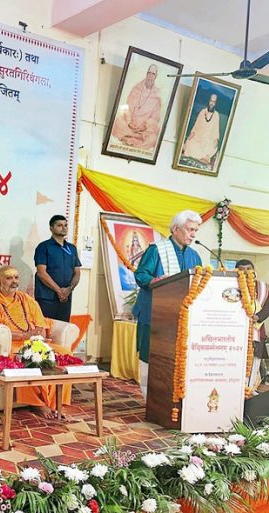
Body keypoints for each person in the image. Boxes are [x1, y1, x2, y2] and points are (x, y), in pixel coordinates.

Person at [0, 265, 72, 418]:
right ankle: (37, 403)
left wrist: (38, 335)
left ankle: (57, 401)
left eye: (16, 277)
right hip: (13, 345)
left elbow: (41, 324)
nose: (13, 282)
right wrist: (25, 336)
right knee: (25, 357)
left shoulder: (26, 299)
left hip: (35, 342)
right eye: (9, 278)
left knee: (64, 353)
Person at [132, 211, 203, 398]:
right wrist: (155, 281)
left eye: (196, 230)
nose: (193, 234)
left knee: (177, 356)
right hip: (153, 312)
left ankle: (173, 395)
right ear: (175, 229)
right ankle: (149, 397)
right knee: (150, 354)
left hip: (181, 316)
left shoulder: (194, 256)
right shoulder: (157, 249)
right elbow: (141, 275)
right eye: (190, 229)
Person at [34, 215, 81, 322]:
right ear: (51, 228)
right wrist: (59, 291)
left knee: (63, 330)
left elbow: (77, 272)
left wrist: (69, 289)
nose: (64, 228)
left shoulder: (72, 248)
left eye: (65, 225)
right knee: (46, 329)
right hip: (47, 297)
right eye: (59, 225)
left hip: (66, 297)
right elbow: (41, 273)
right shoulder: (43, 247)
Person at [111, 64, 162, 150]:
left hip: (143, 130)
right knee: (117, 121)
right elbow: (127, 108)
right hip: (130, 125)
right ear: (146, 74)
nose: (150, 76)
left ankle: (130, 138)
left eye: (153, 74)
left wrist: (144, 127)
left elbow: (155, 118)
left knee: (153, 138)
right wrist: (129, 121)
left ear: (156, 76)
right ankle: (132, 137)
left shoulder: (157, 96)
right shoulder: (136, 89)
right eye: (149, 73)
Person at [235, 259, 268, 388]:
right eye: (241, 270)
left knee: (254, 361)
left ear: (254, 271)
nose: (246, 272)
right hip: (236, 332)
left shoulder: (263, 287)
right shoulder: (231, 286)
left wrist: (259, 317)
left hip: (256, 331)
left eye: (248, 269)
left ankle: (250, 388)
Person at [181, 93, 221, 169]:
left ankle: (202, 158)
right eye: (211, 101)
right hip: (198, 137)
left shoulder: (216, 115)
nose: (212, 103)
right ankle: (202, 159)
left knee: (212, 148)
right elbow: (196, 125)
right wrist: (192, 133)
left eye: (214, 102)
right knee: (190, 142)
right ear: (208, 101)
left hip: (208, 140)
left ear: (216, 103)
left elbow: (216, 130)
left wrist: (216, 139)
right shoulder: (202, 112)